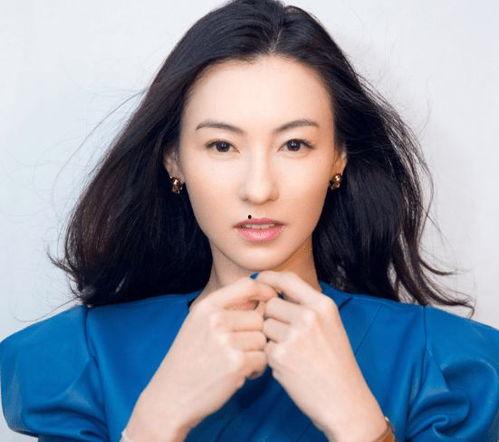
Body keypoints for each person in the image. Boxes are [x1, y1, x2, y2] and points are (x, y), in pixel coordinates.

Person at [1, 0, 498, 440]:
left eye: (294, 144)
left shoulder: (442, 365)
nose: (259, 189)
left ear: (338, 158)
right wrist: (157, 421)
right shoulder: (86, 359)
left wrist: (359, 425)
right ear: (174, 160)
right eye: (222, 145)